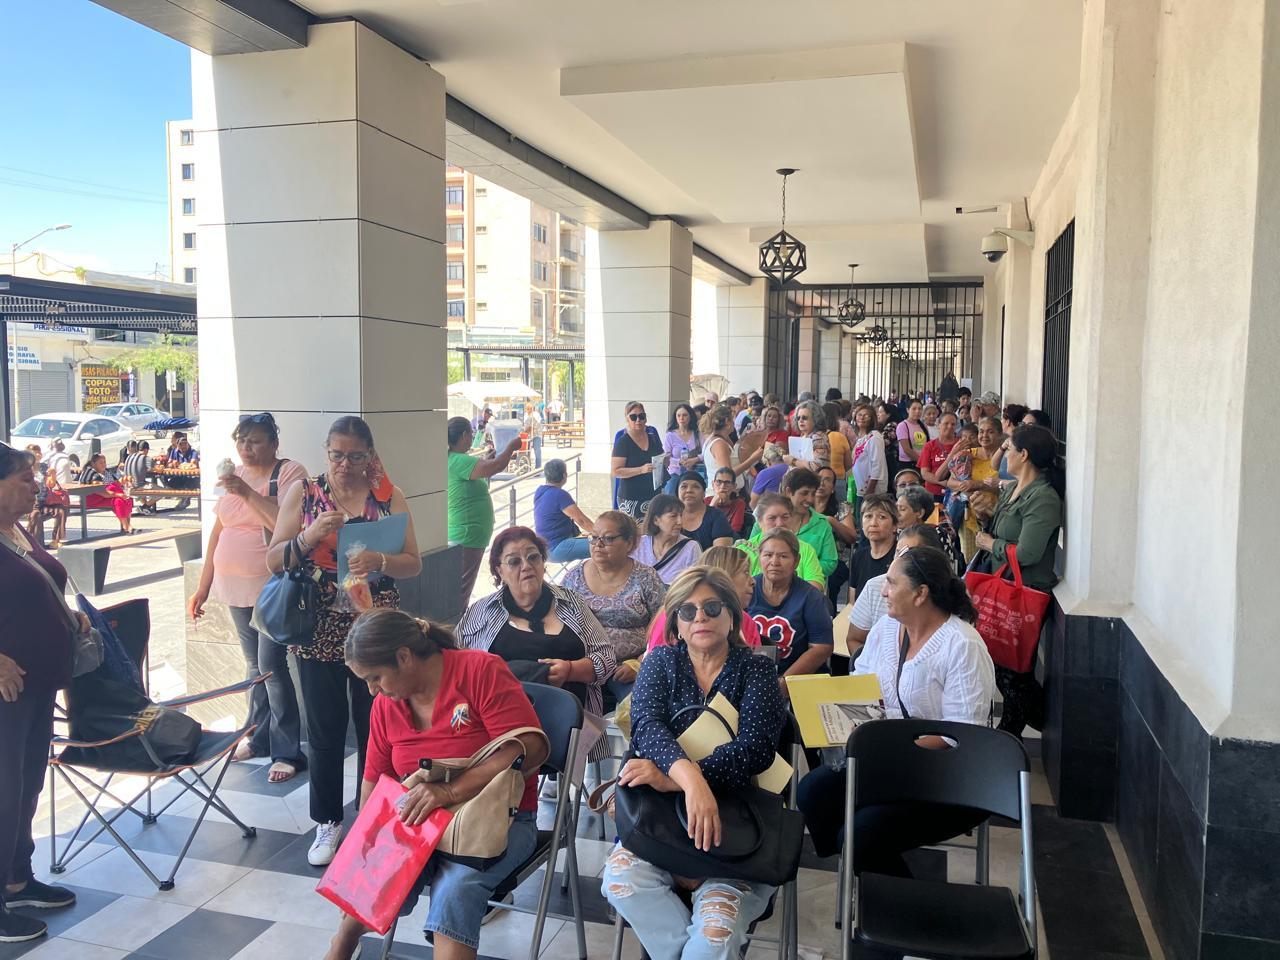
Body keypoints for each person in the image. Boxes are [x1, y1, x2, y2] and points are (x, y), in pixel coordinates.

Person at [324, 609, 548, 960]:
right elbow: (375, 782)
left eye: (375, 677)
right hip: (425, 822)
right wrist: (363, 851)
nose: (372, 690)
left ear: (404, 657)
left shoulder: (478, 671)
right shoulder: (386, 705)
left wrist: (449, 791)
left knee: (456, 887)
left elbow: (530, 746)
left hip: (499, 820)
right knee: (373, 873)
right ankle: (343, 943)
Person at [605, 566, 787, 960]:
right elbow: (647, 728)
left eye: (711, 607)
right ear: (676, 624)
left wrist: (673, 778)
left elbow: (755, 749)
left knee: (714, 937)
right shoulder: (661, 662)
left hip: (736, 825)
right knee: (621, 883)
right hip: (660, 822)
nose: (699, 617)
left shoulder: (757, 669)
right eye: (687, 611)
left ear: (732, 615)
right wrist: (690, 780)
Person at [267, 416, 423, 867]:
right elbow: (273, 559)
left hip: (375, 629)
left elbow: (413, 562)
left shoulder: (388, 497)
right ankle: (327, 820)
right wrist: (309, 536)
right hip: (318, 628)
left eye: (355, 456)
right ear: (326, 453)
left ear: (370, 455)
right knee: (324, 729)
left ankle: (373, 817)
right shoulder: (304, 493)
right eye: (337, 455)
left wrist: (381, 560)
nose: (345, 465)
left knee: (378, 727)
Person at [798, 546, 996, 877]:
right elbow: (861, 686)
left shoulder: (962, 645)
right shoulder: (886, 629)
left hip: (945, 775)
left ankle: (895, 895)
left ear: (920, 594)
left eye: (891, 583)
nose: (883, 591)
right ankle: (862, 868)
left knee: (862, 835)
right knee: (812, 793)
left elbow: (961, 734)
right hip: (885, 762)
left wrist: (889, 749)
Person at [189, 413, 307, 782]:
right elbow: (217, 533)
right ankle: (258, 737)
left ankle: (288, 750)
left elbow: (288, 525)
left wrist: (246, 493)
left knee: (271, 665)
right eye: (241, 440)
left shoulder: (288, 473)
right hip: (233, 587)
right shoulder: (234, 474)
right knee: (254, 666)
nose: (246, 448)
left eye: (255, 441)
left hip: (272, 588)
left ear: (274, 443)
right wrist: (203, 586)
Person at [0, 445, 82, 943]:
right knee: (4, 790)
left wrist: (67, 617)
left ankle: (17, 878)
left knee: (26, 784)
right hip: (6, 691)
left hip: (38, 683)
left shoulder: (16, 530)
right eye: (25, 479)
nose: (36, 486)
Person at [457, 527, 615, 727]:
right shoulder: (481, 611)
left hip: (572, 728)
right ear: (499, 571)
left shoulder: (572, 602)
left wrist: (570, 670)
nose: (526, 566)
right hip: (502, 728)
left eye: (533, 557)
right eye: (514, 561)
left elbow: (607, 658)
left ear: (543, 562)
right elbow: (456, 665)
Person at [974, 425, 1063, 737]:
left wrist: (990, 544)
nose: (1004, 454)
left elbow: (1027, 553)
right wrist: (984, 517)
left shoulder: (1043, 498)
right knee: (1002, 667)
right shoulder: (1012, 489)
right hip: (1003, 587)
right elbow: (1002, 531)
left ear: (1023, 455)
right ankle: (1017, 731)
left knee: (1014, 673)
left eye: (1008, 448)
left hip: (1023, 592)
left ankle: (1015, 734)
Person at [562, 511, 666, 701]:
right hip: (582, 664)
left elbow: (664, 626)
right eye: (594, 537)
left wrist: (639, 664)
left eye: (608, 538)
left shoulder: (645, 577)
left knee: (639, 704)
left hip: (628, 666)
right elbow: (558, 622)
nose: (598, 544)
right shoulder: (574, 577)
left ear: (629, 543)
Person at [447, 416, 521, 604]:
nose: (472, 438)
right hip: (467, 536)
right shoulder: (458, 459)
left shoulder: (454, 460)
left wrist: (488, 459)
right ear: (464, 435)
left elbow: (485, 467)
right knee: (460, 593)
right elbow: (495, 467)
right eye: (471, 434)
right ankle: (459, 623)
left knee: (460, 589)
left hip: (468, 535)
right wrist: (510, 447)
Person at [747, 528, 834, 686]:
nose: (774, 562)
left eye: (783, 556)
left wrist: (783, 683)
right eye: (768, 555)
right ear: (759, 558)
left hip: (800, 681)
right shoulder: (747, 590)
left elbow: (821, 648)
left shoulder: (811, 597)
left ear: (796, 561)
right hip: (751, 677)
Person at [844, 524, 943, 660]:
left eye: (909, 554)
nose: (900, 560)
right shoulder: (875, 589)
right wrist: (874, 666)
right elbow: (855, 639)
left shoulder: (957, 638)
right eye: (898, 552)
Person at [646, 546, 762, 651]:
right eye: (746, 572)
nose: (753, 581)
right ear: (726, 575)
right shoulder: (672, 615)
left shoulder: (747, 622)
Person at [737, 493, 825, 590]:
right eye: (772, 518)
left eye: (785, 517)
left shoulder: (805, 549)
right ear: (760, 522)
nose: (779, 524)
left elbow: (815, 586)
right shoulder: (743, 550)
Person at [533, 458, 595, 562]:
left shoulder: (540, 491)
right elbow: (582, 521)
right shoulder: (560, 495)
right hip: (556, 548)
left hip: (544, 548)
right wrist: (601, 534)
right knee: (606, 545)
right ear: (564, 475)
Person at [631, 494, 702, 585]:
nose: (679, 522)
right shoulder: (639, 544)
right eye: (673, 516)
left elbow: (696, 583)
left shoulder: (691, 548)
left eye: (681, 515)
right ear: (656, 520)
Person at [896, 482, 965, 574]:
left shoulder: (937, 534)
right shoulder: (894, 533)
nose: (896, 514)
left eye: (902, 509)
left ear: (920, 513)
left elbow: (947, 569)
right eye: (896, 508)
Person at [613, 401, 665, 520]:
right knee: (634, 530)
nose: (638, 420)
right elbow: (616, 471)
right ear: (627, 419)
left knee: (653, 529)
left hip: (653, 495)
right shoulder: (623, 442)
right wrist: (641, 470)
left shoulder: (653, 438)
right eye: (633, 417)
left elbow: (660, 457)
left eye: (641, 416)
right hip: (631, 498)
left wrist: (664, 461)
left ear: (645, 418)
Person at [815, 465, 857, 609]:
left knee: (830, 579)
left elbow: (852, 537)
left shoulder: (842, 507)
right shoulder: (805, 508)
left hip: (837, 559)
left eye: (827, 480)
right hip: (811, 556)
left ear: (833, 488)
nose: (821, 483)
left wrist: (833, 522)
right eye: (819, 479)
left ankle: (828, 614)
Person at [700, 404, 762, 490]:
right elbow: (727, 475)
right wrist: (752, 459)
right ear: (727, 422)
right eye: (732, 419)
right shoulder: (719, 444)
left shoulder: (723, 439)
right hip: (723, 494)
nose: (734, 422)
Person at [76, 453, 136, 534]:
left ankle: (127, 525)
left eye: (104, 462)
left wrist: (125, 479)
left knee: (128, 499)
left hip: (105, 496)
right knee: (118, 500)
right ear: (93, 463)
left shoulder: (106, 472)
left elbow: (116, 483)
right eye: (101, 463)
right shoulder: (92, 474)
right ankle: (126, 526)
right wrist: (118, 494)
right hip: (91, 499)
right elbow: (101, 491)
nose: (103, 464)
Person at [676, 472, 734, 550]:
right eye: (684, 486)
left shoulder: (716, 516)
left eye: (696, 487)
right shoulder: (669, 516)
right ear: (677, 492)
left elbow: (721, 554)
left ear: (704, 493)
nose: (689, 490)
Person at [849, 402, 887, 505]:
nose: (862, 418)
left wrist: (869, 491)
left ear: (872, 419)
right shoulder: (860, 438)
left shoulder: (874, 436)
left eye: (866, 415)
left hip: (872, 492)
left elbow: (877, 465)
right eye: (859, 415)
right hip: (860, 489)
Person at [917, 411, 960, 500]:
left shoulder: (960, 444)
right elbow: (924, 473)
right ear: (938, 425)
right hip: (934, 493)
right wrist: (942, 482)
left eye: (953, 424)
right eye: (946, 423)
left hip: (957, 494)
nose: (949, 426)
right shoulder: (929, 446)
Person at [662, 403, 703, 495]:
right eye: (679, 415)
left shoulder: (697, 434)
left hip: (695, 471)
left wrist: (695, 459)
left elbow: (706, 452)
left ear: (690, 417)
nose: (681, 418)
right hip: (675, 473)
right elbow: (665, 457)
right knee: (671, 494)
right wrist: (679, 462)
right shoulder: (670, 435)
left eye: (685, 415)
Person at [783, 401, 830, 472]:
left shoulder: (819, 437)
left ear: (815, 419)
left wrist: (793, 461)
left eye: (804, 418)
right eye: (798, 418)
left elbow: (818, 466)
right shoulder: (804, 436)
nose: (800, 420)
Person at [707, 466, 753, 539]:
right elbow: (704, 528)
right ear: (713, 484)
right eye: (719, 482)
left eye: (727, 483)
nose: (722, 486)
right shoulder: (705, 501)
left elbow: (735, 530)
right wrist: (713, 504)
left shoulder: (739, 503)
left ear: (734, 486)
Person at [823, 402, 853, 502]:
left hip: (819, 481)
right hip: (838, 480)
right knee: (839, 509)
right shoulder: (839, 437)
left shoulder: (815, 436)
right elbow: (848, 464)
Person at [894, 399, 929, 476]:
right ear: (907, 410)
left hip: (922, 463)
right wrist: (922, 462)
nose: (917, 411)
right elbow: (907, 449)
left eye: (920, 409)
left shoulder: (923, 425)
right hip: (908, 464)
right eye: (914, 409)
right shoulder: (902, 426)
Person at [523, 403, 544, 469]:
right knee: (527, 451)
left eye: (529, 409)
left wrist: (524, 432)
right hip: (528, 436)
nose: (528, 410)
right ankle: (527, 465)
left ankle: (538, 467)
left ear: (532, 409)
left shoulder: (535, 415)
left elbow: (532, 427)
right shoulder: (526, 415)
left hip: (536, 434)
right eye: (527, 409)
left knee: (537, 450)